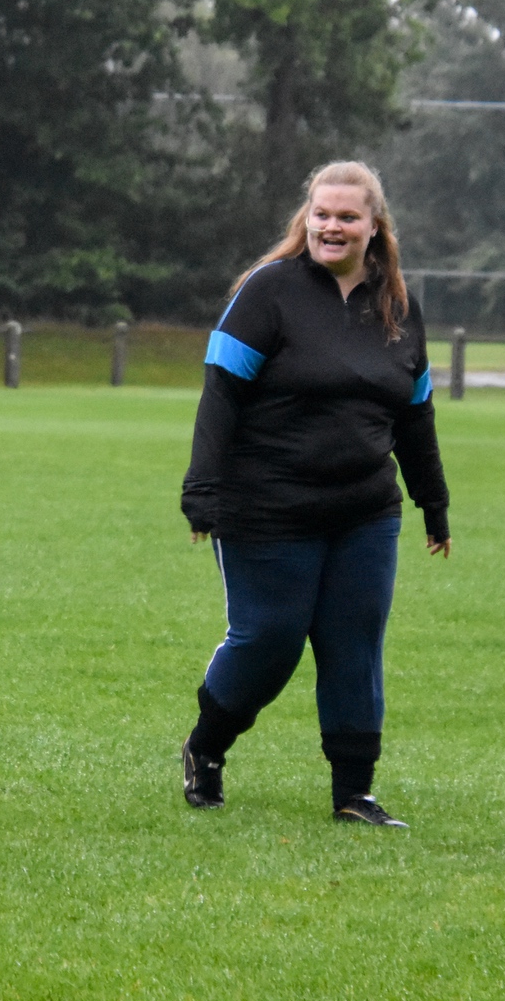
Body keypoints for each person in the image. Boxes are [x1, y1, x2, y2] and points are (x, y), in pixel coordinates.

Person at [178, 161, 450, 827]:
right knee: (270, 637)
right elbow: (221, 395)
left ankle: (354, 793)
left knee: (354, 642)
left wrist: (432, 504)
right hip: (266, 504)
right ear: (307, 218)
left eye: (347, 216)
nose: (332, 226)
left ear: (373, 225)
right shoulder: (268, 291)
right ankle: (206, 747)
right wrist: (202, 492)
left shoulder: (399, 308)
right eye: (322, 214)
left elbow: (415, 415)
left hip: (364, 510)